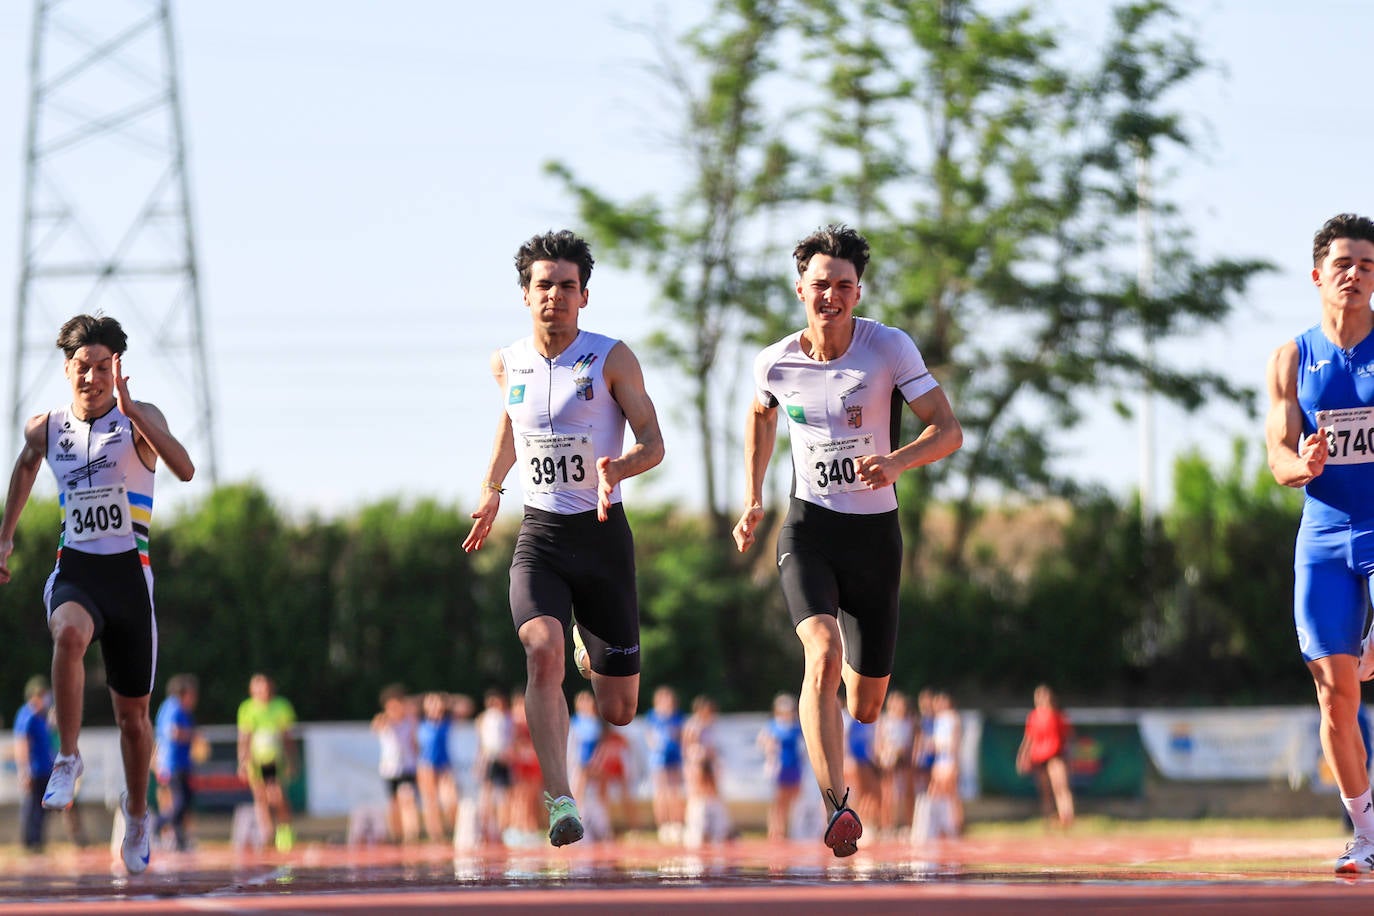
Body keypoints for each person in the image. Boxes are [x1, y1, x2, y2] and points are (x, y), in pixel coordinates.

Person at [732, 225, 963, 856]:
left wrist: (898, 462)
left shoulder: (887, 348)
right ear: (799, 288)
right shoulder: (774, 361)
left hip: (875, 538)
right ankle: (836, 804)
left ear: (858, 291)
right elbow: (760, 416)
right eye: (819, 285)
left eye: (843, 286)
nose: (830, 296)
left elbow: (948, 432)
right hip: (809, 528)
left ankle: (842, 775)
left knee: (863, 706)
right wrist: (753, 496)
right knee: (821, 649)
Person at [463, 229, 665, 848]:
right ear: (526, 295)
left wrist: (619, 468)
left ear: (584, 296)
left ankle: (590, 645)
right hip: (541, 538)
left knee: (618, 710)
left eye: (567, 287)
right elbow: (508, 424)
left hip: (603, 538)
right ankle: (560, 800)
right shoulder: (508, 362)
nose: (554, 295)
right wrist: (492, 491)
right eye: (543, 285)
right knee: (540, 649)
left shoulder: (612, 358)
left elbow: (653, 444)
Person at [0, 314, 195, 874]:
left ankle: (137, 814)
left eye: (103, 368)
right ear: (68, 370)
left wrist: (134, 416)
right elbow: (26, 465)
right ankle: (67, 757)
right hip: (78, 569)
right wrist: (6, 537)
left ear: (118, 370)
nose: (93, 378)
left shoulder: (140, 419)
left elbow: (184, 469)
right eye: (83, 368)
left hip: (130, 579)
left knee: (134, 720)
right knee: (67, 633)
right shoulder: (46, 427)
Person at [1265, 212, 1374, 874]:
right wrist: (1302, 465)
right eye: (1344, 265)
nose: (1356, 275)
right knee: (1335, 694)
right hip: (1324, 535)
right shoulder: (1291, 357)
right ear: (1317, 276)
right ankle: (1365, 833)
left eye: (1367, 266)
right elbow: (1276, 456)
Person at [236, 673, 298, 853]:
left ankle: (285, 830)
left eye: (266, 687)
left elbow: (287, 737)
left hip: (274, 759)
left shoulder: (281, 706)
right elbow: (244, 737)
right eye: (259, 688)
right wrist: (242, 761)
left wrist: (292, 760)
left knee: (277, 796)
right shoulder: (247, 708)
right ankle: (267, 833)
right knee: (261, 798)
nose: (263, 691)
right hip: (256, 760)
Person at [1015, 684, 1075, 830]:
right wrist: (1022, 755)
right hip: (1039, 757)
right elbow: (1028, 738)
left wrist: (1069, 756)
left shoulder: (1057, 716)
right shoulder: (1033, 717)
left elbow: (1069, 737)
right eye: (1038, 696)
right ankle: (1048, 821)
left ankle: (1067, 819)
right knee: (1045, 791)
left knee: (1061, 787)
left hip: (1055, 755)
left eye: (1044, 696)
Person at [152, 673, 200, 851]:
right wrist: (193, 736)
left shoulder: (175, 709)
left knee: (185, 801)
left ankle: (179, 840)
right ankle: (157, 826)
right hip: (173, 763)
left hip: (179, 763)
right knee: (180, 802)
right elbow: (174, 733)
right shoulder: (174, 708)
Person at [416, 691, 467, 844]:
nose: (435, 706)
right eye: (431, 703)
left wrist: (447, 698)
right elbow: (405, 705)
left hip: (444, 764)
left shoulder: (447, 721)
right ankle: (436, 835)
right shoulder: (420, 721)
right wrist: (423, 699)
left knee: (451, 799)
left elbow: (466, 706)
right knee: (430, 802)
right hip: (426, 765)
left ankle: (453, 830)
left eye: (437, 702)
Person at [371, 684, 420, 844]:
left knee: (408, 798)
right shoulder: (383, 721)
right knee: (393, 803)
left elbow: (415, 743)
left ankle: (411, 835)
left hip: (407, 766)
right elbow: (376, 727)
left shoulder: (409, 721)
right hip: (390, 768)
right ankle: (396, 835)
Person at [14, 676, 54, 852]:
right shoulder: (27, 715)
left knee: (42, 809)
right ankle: (30, 842)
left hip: (45, 769)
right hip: (35, 770)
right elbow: (22, 743)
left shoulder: (41, 717)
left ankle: (37, 840)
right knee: (32, 808)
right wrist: (25, 770)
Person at [758, 692, 804, 842]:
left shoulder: (796, 727)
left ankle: (785, 830)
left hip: (794, 766)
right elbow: (763, 742)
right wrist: (770, 750)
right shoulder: (773, 726)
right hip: (779, 767)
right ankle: (775, 831)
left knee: (791, 801)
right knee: (778, 801)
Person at [643, 685, 686, 841]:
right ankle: (663, 826)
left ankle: (677, 824)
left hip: (674, 757)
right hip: (658, 759)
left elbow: (682, 736)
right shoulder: (652, 716)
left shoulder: (677, 716)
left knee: (675, 792)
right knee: (661, 793)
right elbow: (649, 738)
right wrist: (656, 746)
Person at [874, 689, 917, 836]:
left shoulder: (907, 723)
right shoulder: (885, 721)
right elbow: (879, 742)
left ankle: (905, 824)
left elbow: (910, 744)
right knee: (887, 794)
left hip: (902, 763)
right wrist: (884, 756)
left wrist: (901, 755)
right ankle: (886, 825)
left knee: (904, 794)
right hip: (888, 762)